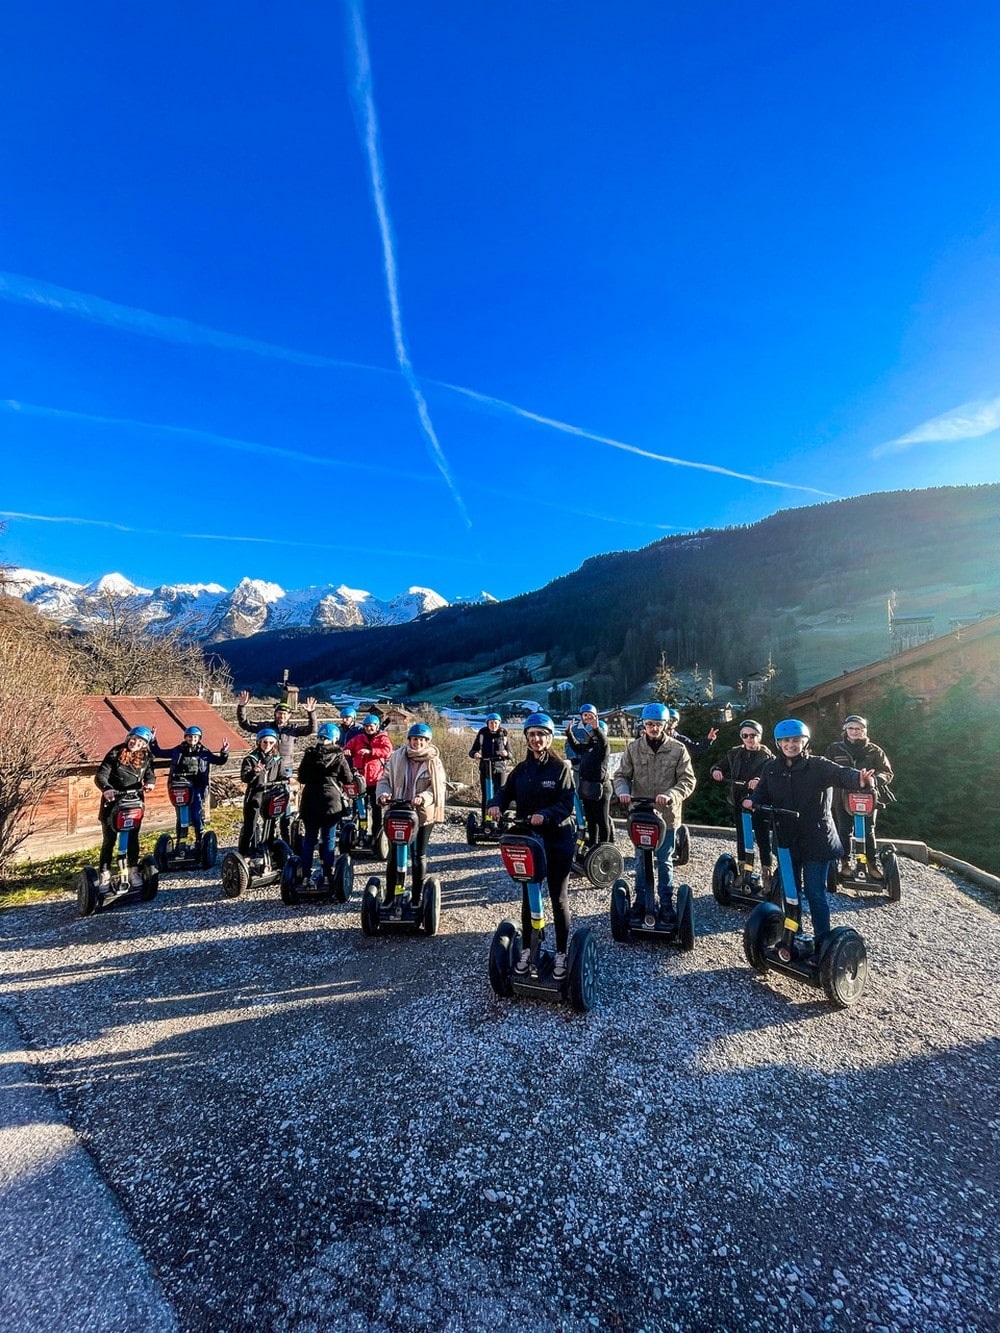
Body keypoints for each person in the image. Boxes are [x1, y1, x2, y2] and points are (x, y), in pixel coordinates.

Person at [749, 719, 875, 951]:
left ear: (804, 742)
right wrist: (753, 802)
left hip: (817, 840)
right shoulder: (771, 768)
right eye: (786, 741)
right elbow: (762, 792)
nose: (791, 745)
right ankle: (794, 935)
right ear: (779, 743)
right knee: (790, 891)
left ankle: (823, 942)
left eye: (796, 740)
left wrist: (859, 779)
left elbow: (841, 774)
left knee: (815, 893)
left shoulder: (818, 765)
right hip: (786, 839)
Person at [488, 712, 576, 979]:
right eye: (532, 735)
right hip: (529, 841)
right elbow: (505, 792)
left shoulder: (561, 769)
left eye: (541, 734)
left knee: (558, 898)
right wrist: (496, 804)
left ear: (549, 738)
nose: (537, 739)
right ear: (526, 738)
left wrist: (546, 815)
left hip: (557, 840)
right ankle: (529, 947)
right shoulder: (521, 770)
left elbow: (566, 803)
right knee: (529, 896)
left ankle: (561, 952)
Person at [614, 703, 696, 925]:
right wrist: (622, 792)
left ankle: (667, 902)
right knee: (641, 859)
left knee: (664, 859)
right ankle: (641, 901)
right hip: (641, 814)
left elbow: (688, 781)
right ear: (644, 724)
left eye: (657, 724)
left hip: (667, 816)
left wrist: (671, 794)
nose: (653, 728)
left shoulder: (678, 749)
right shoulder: (634, 748)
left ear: (665, 725)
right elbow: (621, 775)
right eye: (649, 724)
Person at [377, 722, 447, 911]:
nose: (418, 743)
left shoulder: (434, 761)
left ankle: (417, 897)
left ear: (427, 742)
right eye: (415, 739)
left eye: (422, 740)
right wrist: (383, 793)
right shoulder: (397, 757)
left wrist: (422, 798)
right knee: (394, 856)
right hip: (398, 811)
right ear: (410, 740)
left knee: (417, 855)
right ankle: (392, 896)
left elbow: (437, 788)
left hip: (422, 815)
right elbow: (384, 779)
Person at [824, 715, 894, 877]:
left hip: (868, 796)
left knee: (868, 831)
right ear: (845, 730)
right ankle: (845, 863)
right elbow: (826, 769)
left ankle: (871, 864)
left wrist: (875, 780)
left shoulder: (874, 750)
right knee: (844, 829)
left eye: (858, 729)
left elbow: (887, 772)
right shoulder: (835, 749)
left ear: (864, 731)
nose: (854, 731)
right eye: (851, 728)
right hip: (841, 796)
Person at [710, 719, 775, 885]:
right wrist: (716, 771)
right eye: (745, 735)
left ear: (759, 736)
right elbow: (719, 765)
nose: (749, 739)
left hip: (760, 803)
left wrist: (758, 780)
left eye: (753, 735)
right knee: (742, 838)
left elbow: (772, 775)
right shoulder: (734, 754)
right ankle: (744, 872)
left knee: (762, 839)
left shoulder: (768, 757)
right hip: (739, 801)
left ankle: (767, 875)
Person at [94, 725, 156, 887]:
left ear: (144, 744)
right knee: (109, 840)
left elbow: (149, 773)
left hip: (134, 802)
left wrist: (150, 783)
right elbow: (101, 774)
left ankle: (133, 870)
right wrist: (106, 789)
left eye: (140, 741)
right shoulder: (115, 753)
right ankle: (105, 874)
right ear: (128, 738)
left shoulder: (146, 756)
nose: (135, 743)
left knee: (132, 838)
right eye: (133, 739)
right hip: (113, 802)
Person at [150, 725, 229, 851]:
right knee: (182, 818)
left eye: (195, 737)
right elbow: (159, 752)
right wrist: (153, 741)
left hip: (198, 788)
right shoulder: (178, 750)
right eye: (189, 736)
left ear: (199, 738)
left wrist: (224, 752)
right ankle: (181, 843)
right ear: (185, 737)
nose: (192, 739)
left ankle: (200, 841)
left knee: (197, 815)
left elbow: (219, 761)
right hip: (180, 787)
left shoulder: (204, 752)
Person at [297, 722, 354, 881]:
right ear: (335, 739)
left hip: (310, 801)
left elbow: (301, 777)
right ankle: (328, 873)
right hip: (331, 801)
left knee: (309, 839)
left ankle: (306, 875)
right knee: (328, 838)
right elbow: (348, 779)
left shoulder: (309, 754)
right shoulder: (338, 755)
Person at [235, 691, 318, 773]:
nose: (282, 716)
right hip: (267, 765)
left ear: (289, 716)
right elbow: (245, 724)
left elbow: (312, 729)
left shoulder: (293, 729)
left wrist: (311, 713)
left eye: (285, 714)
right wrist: (242, 707)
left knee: (284, 786)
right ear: (275, 714)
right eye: (279, 713)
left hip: (286, 766)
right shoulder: (266, 727)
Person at [345, 714, 394, 841]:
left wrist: (371, 752)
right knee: (359, 808)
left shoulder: (382, 738)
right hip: (359, 780)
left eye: (371, 726)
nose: (368, 729)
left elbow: (388, 751)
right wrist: (347, 751)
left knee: (376, 808)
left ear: (377, 726)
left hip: (375, 779)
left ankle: (376, 835)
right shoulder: (358, 738)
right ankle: (361, 832)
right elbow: (348, 747)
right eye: (366, 726)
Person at [238, 728, 284, 855]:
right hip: (254, 796)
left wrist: (286, 779)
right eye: (265, 742)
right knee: (250, 826)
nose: (267, 745)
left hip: (270, 797)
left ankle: (267, 849)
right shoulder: (251, 759)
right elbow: (245, 777)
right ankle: (244, 853)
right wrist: (255, 771)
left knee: (270, 825)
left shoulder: (277, 759)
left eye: (271, 743)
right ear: (259, 742)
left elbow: (281, 776)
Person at [574, 704, 613, 847]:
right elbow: (575, 747)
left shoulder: (602, 748)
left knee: (602, 820)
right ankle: (593, 845)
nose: (589, 735)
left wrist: (597, 729)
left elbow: (603, 742)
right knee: (590, 820)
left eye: (592, 733)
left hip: (601, 789)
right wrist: (568, 733)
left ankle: (605, 847)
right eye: (589, 733)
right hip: (588, 788)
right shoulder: (588, 747)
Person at [468, 713, 513, 818]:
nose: (494, 725)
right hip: (485, 767)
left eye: (496, 723)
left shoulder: (503, 734)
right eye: (491, 723)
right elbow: (472, 750)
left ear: (499, 724)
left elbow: (511, 754)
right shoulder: (482, 734)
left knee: (500, 795)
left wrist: (506, 754)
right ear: (487, 724)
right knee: (486, 796)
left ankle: (499, 819)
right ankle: (486, 819)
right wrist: (475, 754)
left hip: (500, 768)